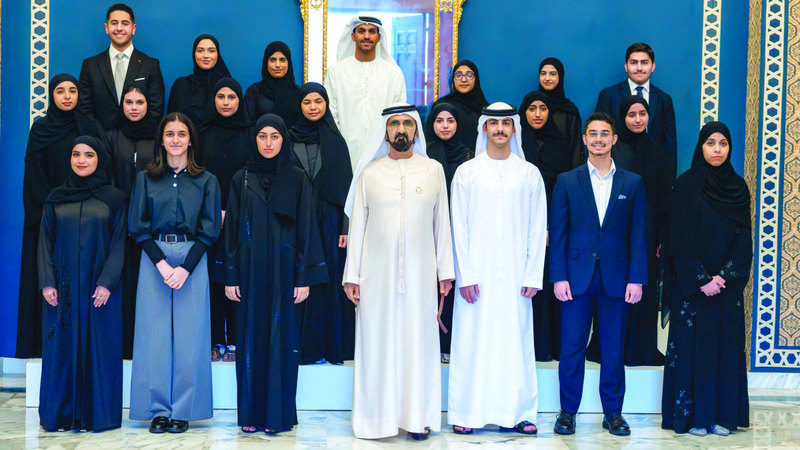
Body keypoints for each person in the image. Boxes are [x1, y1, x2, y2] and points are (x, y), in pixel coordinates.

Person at [343, 103, 454, 440]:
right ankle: (376, 420)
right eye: (394, 124)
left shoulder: (433, 170)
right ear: (385, 131)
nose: (401, 129)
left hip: (421, 277)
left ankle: (418, 418)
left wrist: (445, 272)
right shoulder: (370, 173)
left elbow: (442, 223)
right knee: (378, 345)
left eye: (407, 123)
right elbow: (358, 227)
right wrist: (351, 275)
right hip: (375, 277)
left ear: (416, 131)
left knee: (418, 345)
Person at [224, 113, 328, 434]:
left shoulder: (297, 179)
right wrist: (230, 276)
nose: (268, 143)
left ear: (284, 140)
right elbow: (231, 231)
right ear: (254, 139)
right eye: (262, 136)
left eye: (275, 137)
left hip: (285, 273)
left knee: (281, 341)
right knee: (251, 340)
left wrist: (304, 278)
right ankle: (251, 414)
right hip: (249, 272)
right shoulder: (241, 178)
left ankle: (277, 416)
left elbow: (307, 228)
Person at [448, 103, 547, 435]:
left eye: (506, 123)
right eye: (494, 123)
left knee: (516, 343)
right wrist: (466, 275)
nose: (500, 129)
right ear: (484, 128)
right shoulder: (467, 172)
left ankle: (520, 413)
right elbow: (458, 227)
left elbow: (538, 228)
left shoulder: (529, 174)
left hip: (517, 276)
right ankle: (466, 413)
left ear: (514, 128)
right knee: (471, 341)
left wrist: (533, 274)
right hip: (475, 277)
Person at [550, 112, 648, 437]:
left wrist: (637, 278)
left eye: (604, 134)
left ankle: (613, 413)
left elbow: (639, 234)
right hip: (575, 278)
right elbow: (559, 233)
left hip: (617, 279)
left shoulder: (632, 182)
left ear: (614, 139)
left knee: (613, 348)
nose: (598, 139)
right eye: (592, 134)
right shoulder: (567, 180)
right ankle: (567, 412)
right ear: (584, 139)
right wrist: (559, 276)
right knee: (572, 347)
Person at [128, 112, 221, 434]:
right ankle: (156, 411)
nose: (176, 139)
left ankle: (184, 410)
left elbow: (210, 230)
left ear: (191, 140)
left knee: (190, 338)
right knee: (152, 337)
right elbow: (137, 227)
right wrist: (162, 264)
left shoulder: (207, 180)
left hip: (193, 258)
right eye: (170, 134)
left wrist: (185, 269)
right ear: (162, 140)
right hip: (154, 257)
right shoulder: (146, 178)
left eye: (182, 134)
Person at [662, 122, 751, 436]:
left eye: (723, 143)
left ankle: (722, 417)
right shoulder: (685, 185)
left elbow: (743, 240)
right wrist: (701, 279)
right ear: (701, 147)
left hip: (726, 288)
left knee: (724, 349)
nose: (717, 149)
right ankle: (693, 418)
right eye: (710, 143)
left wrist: (723, 277)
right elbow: (677, 240)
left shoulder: (738, 188)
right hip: (692, 288)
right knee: (692, 349)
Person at [37, 136, 127, 431]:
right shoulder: (55, 197)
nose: (81, 160)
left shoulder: (114, 199)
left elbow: (119, 243)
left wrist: (107, 282)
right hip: (61, 288)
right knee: (61, 349)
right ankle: (60, 415)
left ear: (100, 159)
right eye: (76, 154)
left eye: (89, 155)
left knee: (99, 349)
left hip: (99, 288)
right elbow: (44, 241)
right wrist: (47, 282)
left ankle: (97, 416)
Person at [16, 74, 102, 358]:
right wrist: (54, 207)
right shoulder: (41, 129)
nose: (67, 96)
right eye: (61, 91)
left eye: (72, 91)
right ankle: (45, 350)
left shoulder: (88, 126)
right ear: (52, 95)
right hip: (49, 214)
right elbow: (34, 175)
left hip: (84, 215)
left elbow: (100, 169)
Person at [586, 96, 672, 366]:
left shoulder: (658, 152)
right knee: (612, 290)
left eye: (642, 114)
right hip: (614, 233)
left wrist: (659, 237)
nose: (637, 119)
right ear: (622, 118)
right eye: (631, 114)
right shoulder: (614, 152)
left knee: (641, 288)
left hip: (646, 234)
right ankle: (607, 348)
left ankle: (640, 349)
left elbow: (664, 200)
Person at [289, 83, 355, 365]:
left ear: (326, 105)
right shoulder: (287, 138)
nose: (313, 107)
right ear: (299, 105)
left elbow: (347, 189)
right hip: (296, 219)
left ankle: (332, 346)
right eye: (307, 102)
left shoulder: (336, 141)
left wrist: (345, 227)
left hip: (329, 220)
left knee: (329, 279)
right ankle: (302, 347)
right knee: (300, 278)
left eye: (318, 101)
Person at [518, 90, 578, 362]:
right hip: (519, 224)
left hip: (554, 224)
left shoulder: (560, 144)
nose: (538, 114)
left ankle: (547, 346)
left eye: (543, 108)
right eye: (532, 108)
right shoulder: (516, 145)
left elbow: (564, 191)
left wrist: (552, 226)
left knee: (548, 281)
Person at [200, 77, 251, 361]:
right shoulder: (203, 132)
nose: (226, 102)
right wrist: (214, 209)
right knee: (211, 277)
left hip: (242, 215)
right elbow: (197, 174)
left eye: (232, 97)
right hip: (207, 217)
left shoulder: (250, 132)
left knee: (236, 276)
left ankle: (235, 340)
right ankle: (215, 339)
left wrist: (232, 210)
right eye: (221, 97)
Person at [106, 82, 157, 359]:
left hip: (152, 222)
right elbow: (107, 175)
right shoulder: (112, 135)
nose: (134, 108)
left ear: (148, 105)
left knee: (149, 285)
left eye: (139, 102)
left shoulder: (158, 135)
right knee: (123, 282)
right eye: (129, 103)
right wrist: (123, 213)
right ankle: (123, 347)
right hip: (119, 219)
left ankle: (148, 347)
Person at [324, 16, 407, 171]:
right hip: (345, 152)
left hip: (383, 152)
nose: (367, 36)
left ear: (379, 37)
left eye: (372, 32)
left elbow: (398, 115)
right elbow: (331, 114)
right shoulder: (336, 71)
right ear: (353, 36)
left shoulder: (393, 73)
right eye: (361, 31)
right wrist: (340, 146)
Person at [424, 102, 472, 360]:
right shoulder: (422, 155)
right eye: (439, 120)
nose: (445, 126)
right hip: (427, 232)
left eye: (450, 121)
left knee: (455, 287)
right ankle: (430, 346)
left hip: (460, 233)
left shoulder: (470, 156)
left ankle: (452, 346)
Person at [78, 3, 164, 130]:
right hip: (100, 139)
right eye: (114, 23)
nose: (119, 28)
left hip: (139, 138)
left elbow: (156, 110)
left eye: (125, 23)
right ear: (106, 28)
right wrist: (102, 138)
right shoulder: (90, 66)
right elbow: (84, 109)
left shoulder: (150, 65)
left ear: (133, 28)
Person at [595, 42, 677, 176]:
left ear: (653, 66)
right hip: (617, 169)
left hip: (653, 171)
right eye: (634, 63)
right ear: (626, 66)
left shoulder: (664, 100)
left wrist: (670, 178)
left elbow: (670, 144)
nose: (639, 68)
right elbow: (600, 136)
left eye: (644, 63)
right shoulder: (608, 96)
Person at [167, 34, 232, 133]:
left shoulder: (226, 86)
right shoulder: (181, 85)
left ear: (218, 54)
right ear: (194, 54)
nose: (205, 55)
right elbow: (171, 122)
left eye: (211, 51)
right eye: (200, 51)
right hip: (186, 141)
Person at [426, 60, 489, 155]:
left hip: (478, 160)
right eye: (458, 75)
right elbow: (431, 139)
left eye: (469, 75)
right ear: (453, 79)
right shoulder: (442, 105)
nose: (463, 80)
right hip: (446, 159)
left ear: (476, 78)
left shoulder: (485, 110)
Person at [537, 57, 583, 168]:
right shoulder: (531, 107)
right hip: (533, 172)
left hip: (563, 172)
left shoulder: (569, 111)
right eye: (543, 74)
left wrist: (574, 176)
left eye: (553, 74)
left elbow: (576, 149)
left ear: (560, 77)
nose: (547, 78)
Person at [243, 41, 301, 128]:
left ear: (288, 63)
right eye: (273, 60)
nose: (277, 65)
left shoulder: (298, 92)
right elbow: (248, 126)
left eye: (282, 60)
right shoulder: (254, 92)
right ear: (266, 62)